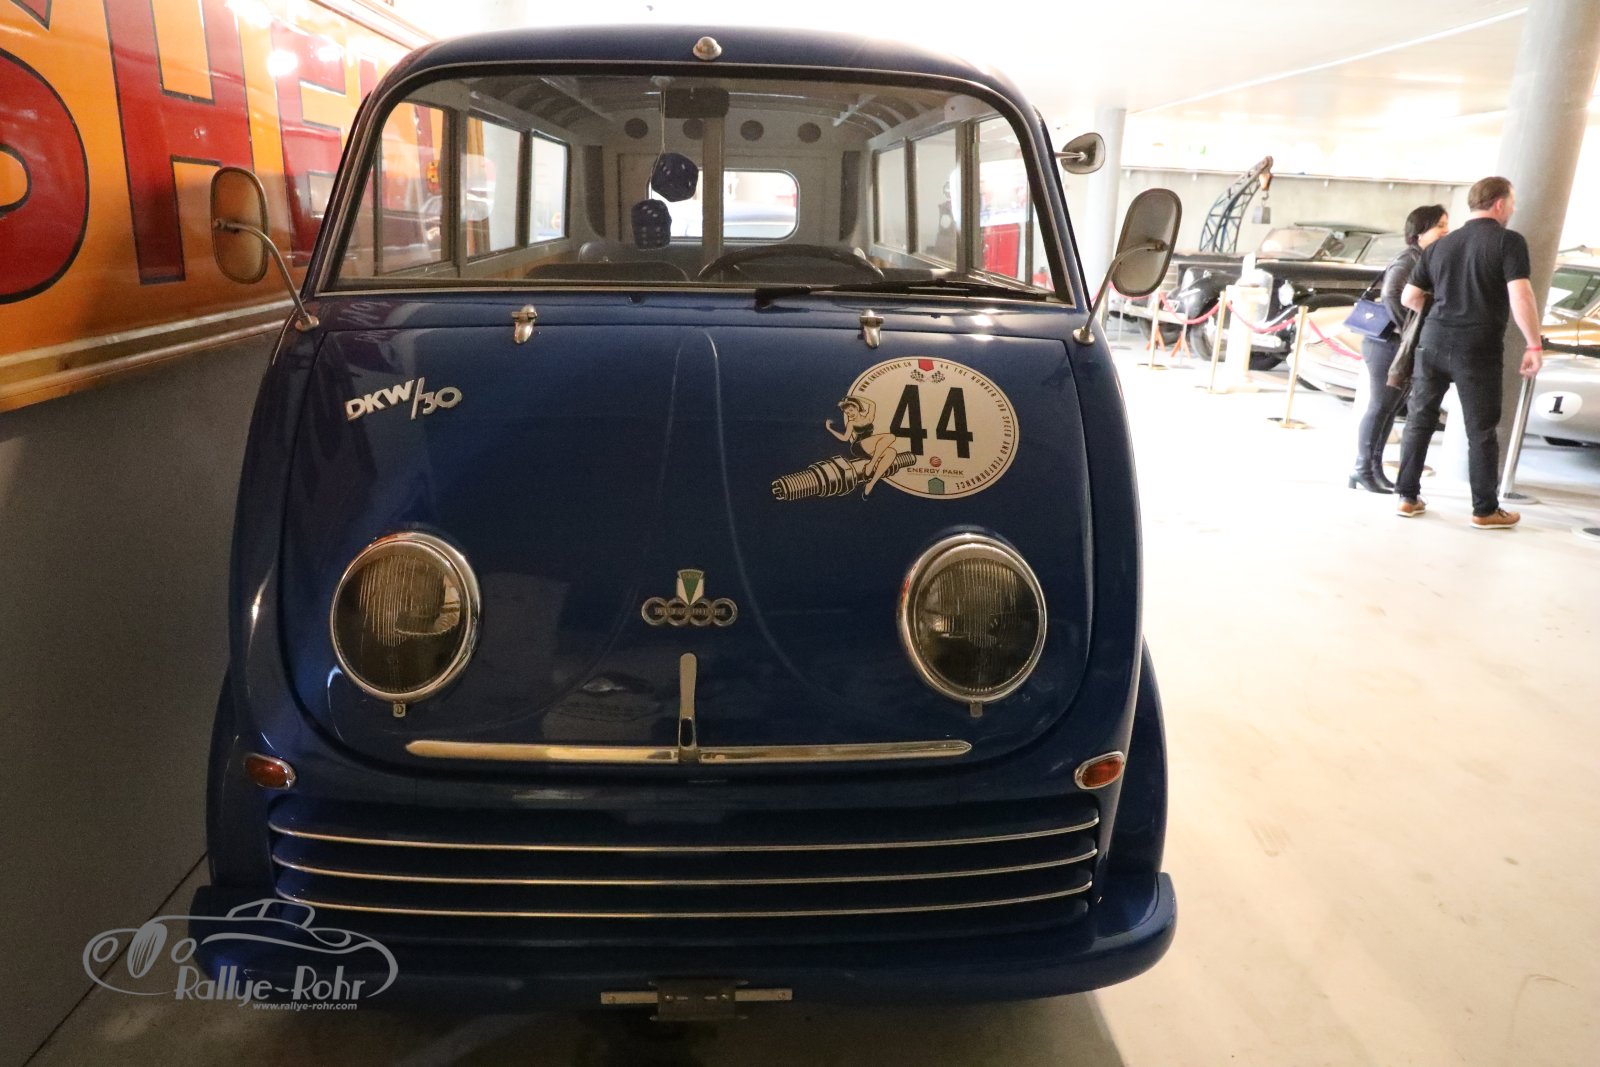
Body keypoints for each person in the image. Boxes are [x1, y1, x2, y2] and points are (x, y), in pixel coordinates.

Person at [1394, 176, 1544, 528]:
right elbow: (1520, 295)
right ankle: (1484, 509)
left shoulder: (1440, 246)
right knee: (1481, 430)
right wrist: (1533, 343)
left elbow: (1409, 297)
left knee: (1420, 420)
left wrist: (1441, 310)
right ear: (1499, 204)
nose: (1513, 209)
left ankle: (1407, 497)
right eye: (1512, 202)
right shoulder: (1508, 242)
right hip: (1477, 347)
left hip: (1432, 342)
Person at [1349, 204, 1449, 493]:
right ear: (1420, 232)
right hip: (1386, 343)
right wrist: (1410, 330)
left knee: (1390, 407)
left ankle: (1373, 468)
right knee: (1380, 405)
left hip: (1396, 343)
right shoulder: (1409, 259)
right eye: (1440, 226)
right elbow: (1392, 294)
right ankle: (1362, 468)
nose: (1446, 231)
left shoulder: (1424, 258)